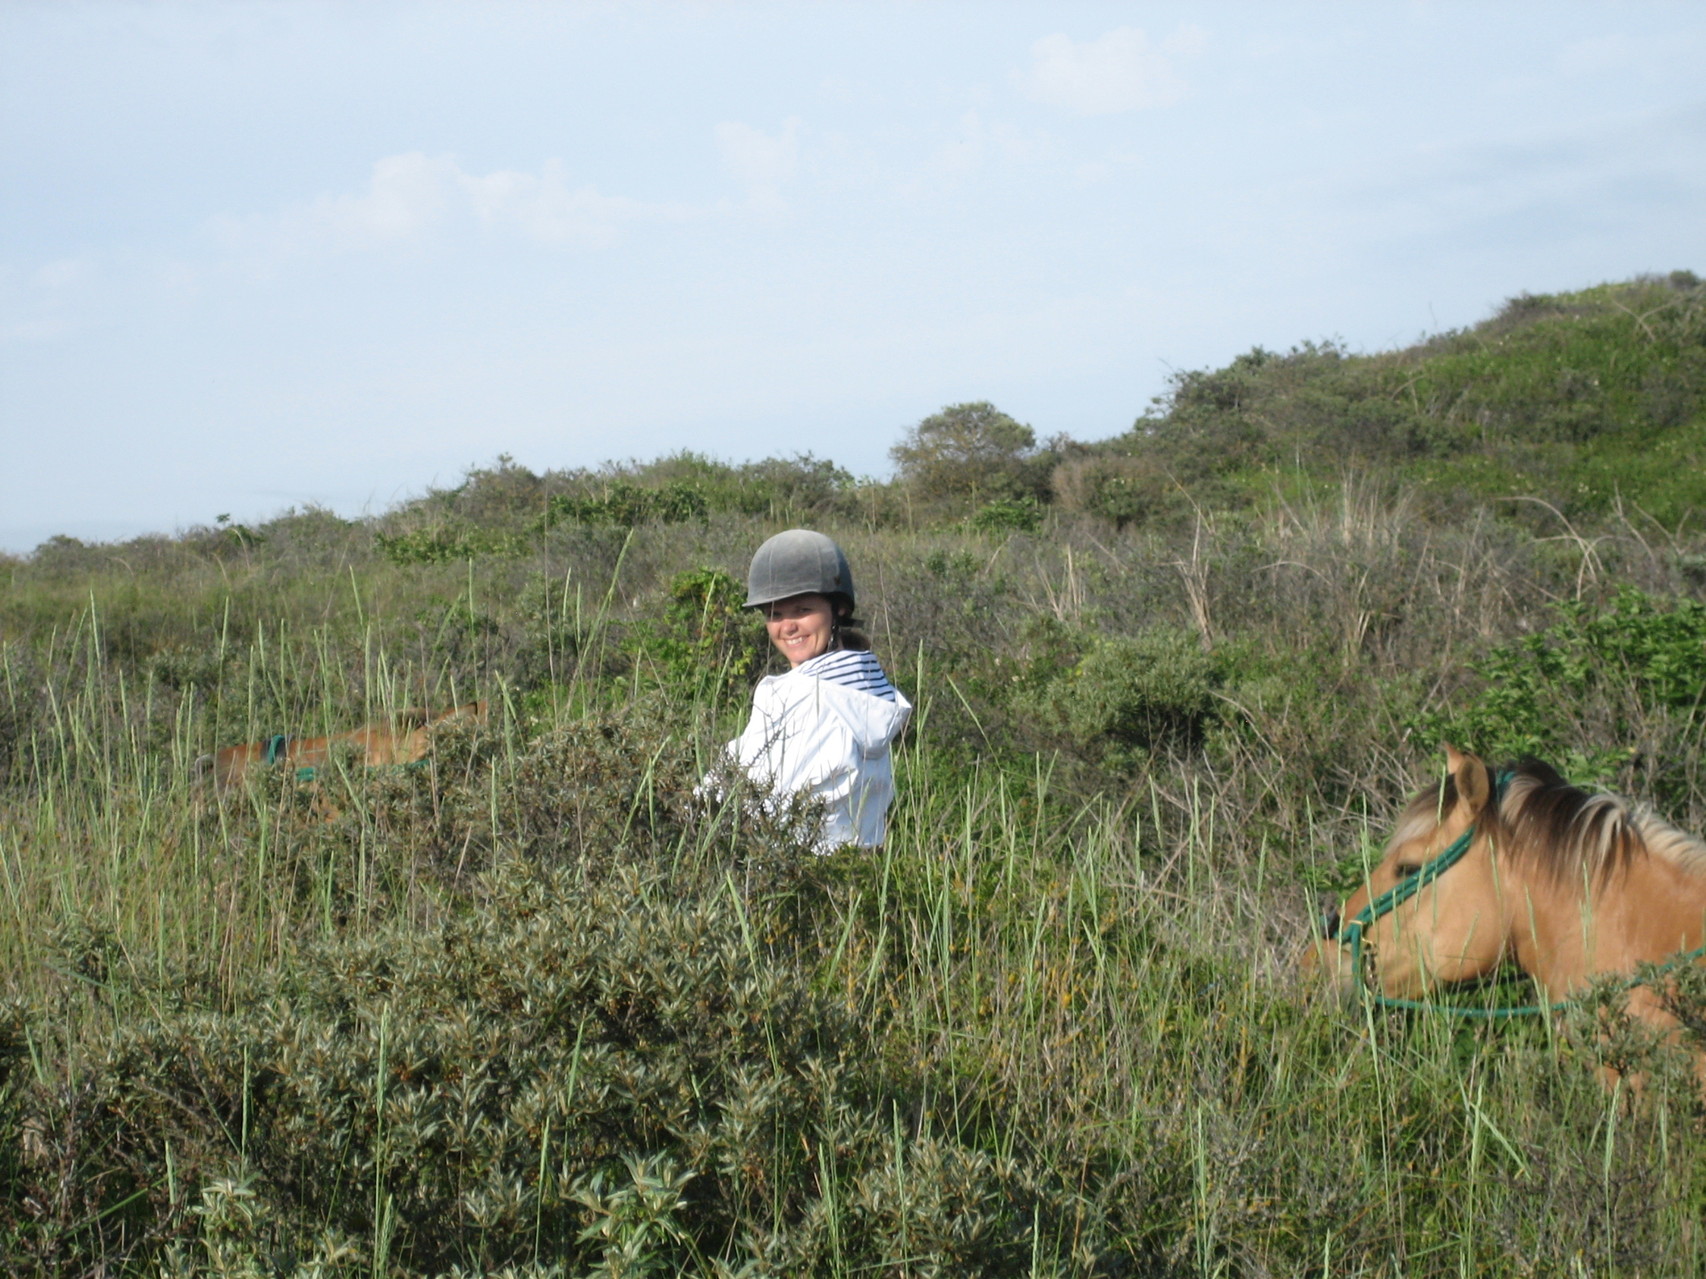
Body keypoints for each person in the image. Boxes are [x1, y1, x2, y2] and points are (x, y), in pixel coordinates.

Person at [723, 528, 911, 852]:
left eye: (801, 610)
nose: (787, 627)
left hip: (795, 874)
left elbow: (750, 800)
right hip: (859, 872)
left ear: (838, 608)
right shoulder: (869, 688)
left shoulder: (812, 699)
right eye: (774, 614)